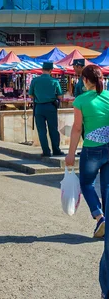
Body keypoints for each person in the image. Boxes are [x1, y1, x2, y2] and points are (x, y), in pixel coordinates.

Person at [65, 65, 109, 238]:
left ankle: (99, 216)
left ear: (84, 80)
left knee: (86, 183)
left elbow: (76, 129)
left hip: (92, 149)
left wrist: (70, 154)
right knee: (106, 186)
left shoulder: (81, 100)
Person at [29, 62, 63, 158]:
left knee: (41, 131)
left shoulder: (35, 81)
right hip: (51, 107)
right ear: (51, 70)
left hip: (39, 107)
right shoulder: (54, 81)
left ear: (42, 69)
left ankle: (46, 151)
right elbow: (60, 96)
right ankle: (56, 150)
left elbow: (31, 94)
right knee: (53, 130)